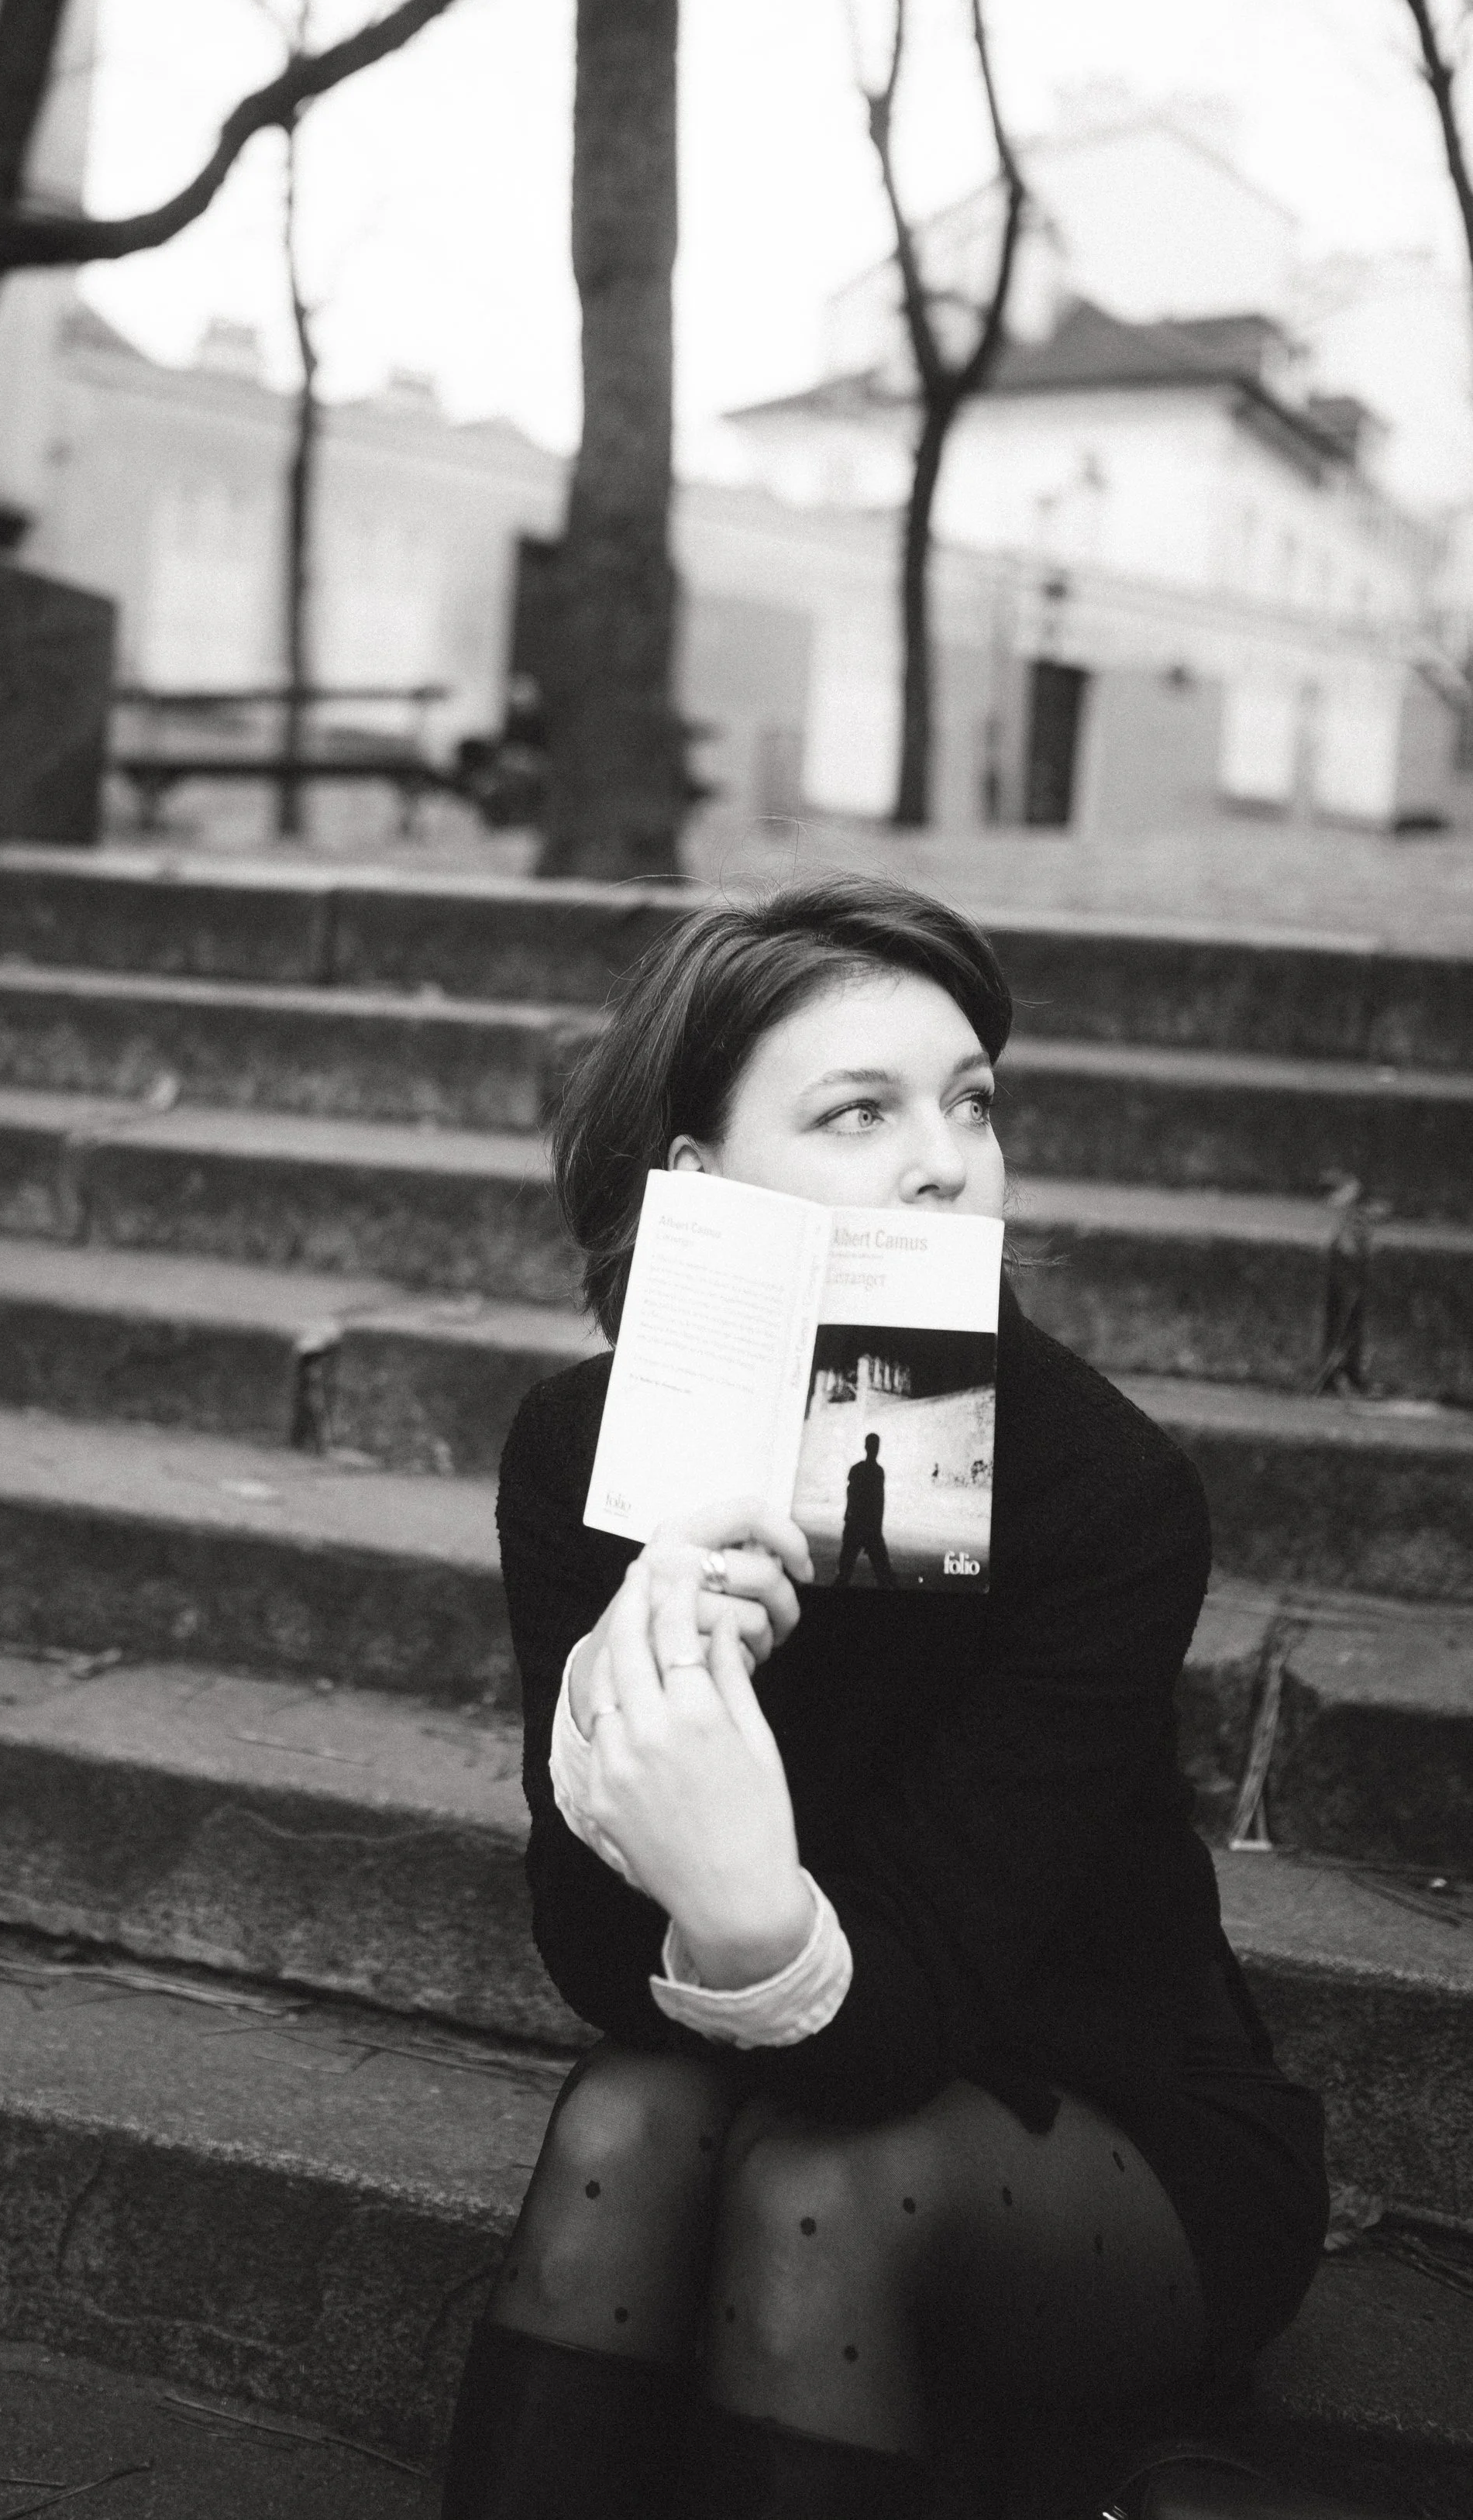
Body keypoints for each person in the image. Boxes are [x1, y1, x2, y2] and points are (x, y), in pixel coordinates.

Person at [440, 877, 1327, 2520]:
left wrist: (742, 1897)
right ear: (699, 1182)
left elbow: (915, 2005)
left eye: (969, 1100)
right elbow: (588, 1955)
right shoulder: (583, 1452)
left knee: (821, 2180)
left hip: (1111, 2122)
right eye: (859, 1111)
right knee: (626, 2119)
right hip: (802, 2057)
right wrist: (658, 1706)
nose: (945, 1155)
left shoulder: (1099, 1491)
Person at [835, 1434, 897, 1589]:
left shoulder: (856, 1470)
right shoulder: (878, 1472)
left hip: (855, 1525)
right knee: (884, 1575)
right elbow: (878, 1503)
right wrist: (877, 1530)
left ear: (865, 1447)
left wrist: (847, 1521)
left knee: (844, 1573)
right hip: (870, 1528)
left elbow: (851, 1498)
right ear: (876, 1448)